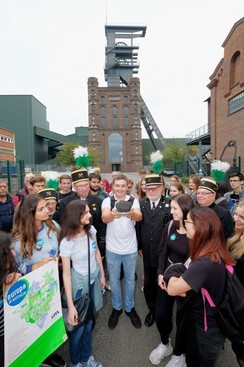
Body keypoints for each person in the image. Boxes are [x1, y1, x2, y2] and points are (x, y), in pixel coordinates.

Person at [167, 206, 235, 367]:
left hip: (207, 327)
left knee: (199, 362)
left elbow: (172, 289)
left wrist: (173, 271)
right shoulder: (215, 250)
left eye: (187, 221)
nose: (184, 224)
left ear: (199, 227)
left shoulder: (204, 263)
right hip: (216, 320)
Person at [12, 194, 66, 367]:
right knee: (34, 323)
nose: (48, 210)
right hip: (32, 290)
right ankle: (38, 357)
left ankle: (49, 353)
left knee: (51, 318)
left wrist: (58, 259)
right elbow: (14, 268)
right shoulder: (18, 238)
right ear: (30, 213)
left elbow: (61, 247)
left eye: (47, 206)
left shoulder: (53, 226)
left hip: (53, 283)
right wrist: (34, 267)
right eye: (42, 208)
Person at [149, 194, 194, 367]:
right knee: (161, 315)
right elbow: (162, 251)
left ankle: (180, 354)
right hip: (166, 277)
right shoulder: (170, 226)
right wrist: (160, 273)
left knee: (183, 320)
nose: (171, 211)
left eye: (175, 208)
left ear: (185, 210)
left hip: (185, 280)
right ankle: (165, 344)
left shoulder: (195, 232)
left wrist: (183, 281)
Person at [59, 200, 105, 367]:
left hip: (93, 281)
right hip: (78, 285)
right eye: (85, 213)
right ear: (75, 216)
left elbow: (97, 252)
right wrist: (71, 306)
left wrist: (102, 274)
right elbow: (65, 274)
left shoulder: (91, 230)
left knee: (90, 322)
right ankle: (76, 362)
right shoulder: (67, 242)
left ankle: (86, 358)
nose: (90, 215)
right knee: (77, 328)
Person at [102, 173, 142, 329]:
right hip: (112, 249)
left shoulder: (133, 201)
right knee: (114, 281)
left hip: (130, 249)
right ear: (113, 186)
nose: (120, 188)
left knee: (131, 280)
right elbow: (105, 217)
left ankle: (130, 308)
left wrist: (130, 212)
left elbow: (138, 216)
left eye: (123, 186)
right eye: (117, 185)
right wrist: (113, 214)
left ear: (128, 187)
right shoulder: (108, 200)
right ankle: (117, 308)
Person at [136, 174, 172, 328]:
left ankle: (163, 310)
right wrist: (139, 246)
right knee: (150, 283)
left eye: (155, 188)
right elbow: (138, 227)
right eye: (148, 188)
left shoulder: (170, 204)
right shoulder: (140, 204)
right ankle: (152, 309)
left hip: (165, 252)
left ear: (161, 188)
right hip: (148, 252)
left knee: (163, 281)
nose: (151, 191)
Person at [56, 169, 106, 259]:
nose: (84, 188)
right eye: (80, 186)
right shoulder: (66, 202)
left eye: (86, 185)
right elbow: (63, 223)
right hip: (74, 243)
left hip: (93, 243)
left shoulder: (98, 201)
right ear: (74, 186)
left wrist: (101, 247)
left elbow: (101, 224)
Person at [0, 231, 21, 366]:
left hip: (8, 334)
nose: (13, 254)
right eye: (9, 251)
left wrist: (15, 277)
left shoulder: (6, 272)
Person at [227, 201, 244, 366]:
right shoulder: (237, 235)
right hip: (234, 298)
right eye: (236, 214)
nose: (236, 219)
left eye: (242, 217)